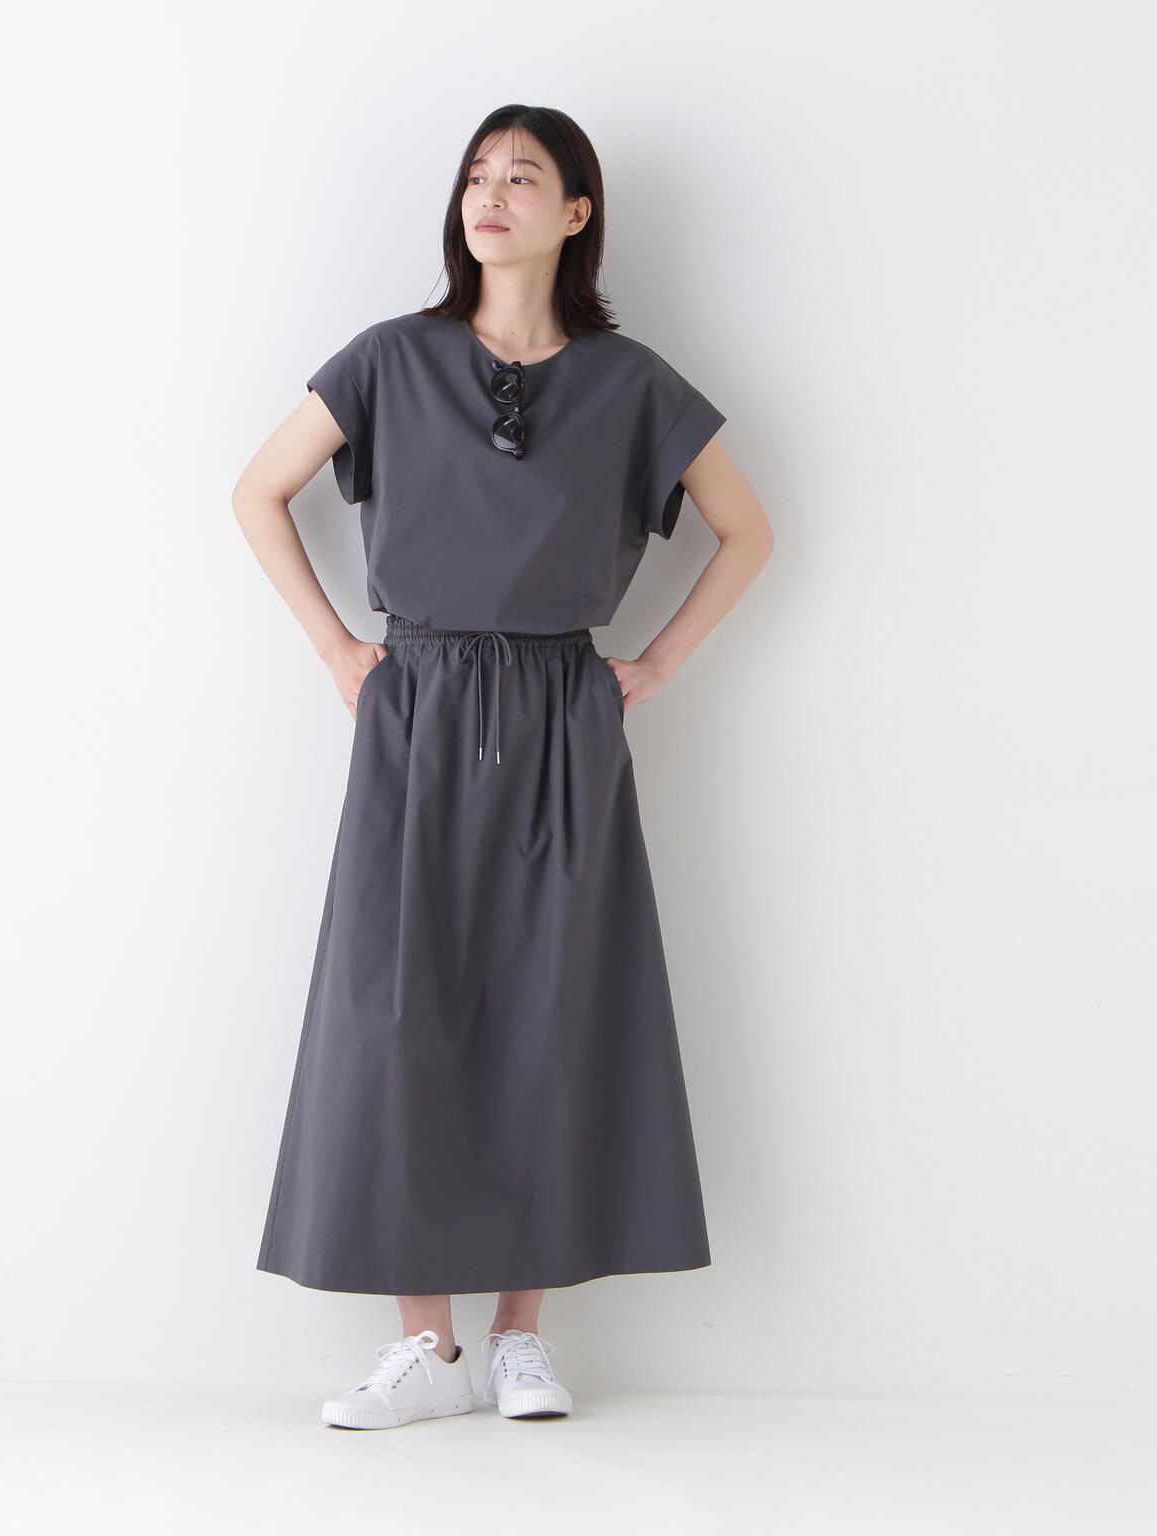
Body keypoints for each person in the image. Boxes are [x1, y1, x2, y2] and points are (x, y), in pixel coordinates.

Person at [231, 103, 774, 1432]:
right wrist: (337, 649)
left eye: (523, 177)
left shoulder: (630, 382)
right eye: (478, 174)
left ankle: (522, 1338)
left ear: (576, 213)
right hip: (414, 705)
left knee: (551, 1005)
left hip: (559, 710)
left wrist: (653, 666)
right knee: (395, 1010)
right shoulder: (389, 359)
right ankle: (427, 1346)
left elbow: (748, 531)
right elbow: (257, 490)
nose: (492, 195)